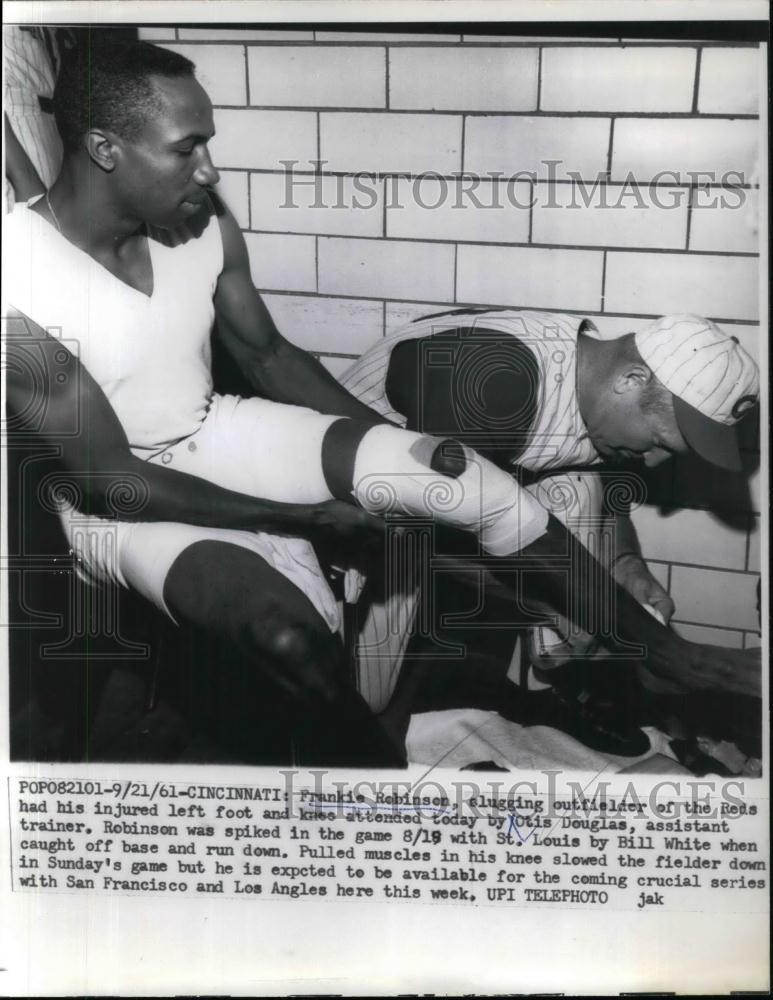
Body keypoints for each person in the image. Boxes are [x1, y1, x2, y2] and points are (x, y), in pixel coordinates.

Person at [3, 39, 759, 767]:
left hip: (215, 430)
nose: (209, 170)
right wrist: (304, 521)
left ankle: (664, 655)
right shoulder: (16, 285)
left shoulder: (202, 222)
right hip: (114, 500)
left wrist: (401, 464)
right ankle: (371, 782)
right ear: (105, 148)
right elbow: (112, 479)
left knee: (462, 474)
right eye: (186, 147)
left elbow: (268, 355)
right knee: (288, 638)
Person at [340, 308, 761, 752]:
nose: (656, 461)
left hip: (448, 500)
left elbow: (596, 477)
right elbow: (421, 539)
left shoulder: (595, 380)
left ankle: (567, 692)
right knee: (366, 705)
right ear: (632, 380)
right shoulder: (497, 385)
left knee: (578, 491)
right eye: (658, 441)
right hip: (352, 517)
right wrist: (543, 600)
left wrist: (625, 563)